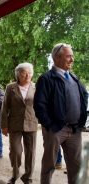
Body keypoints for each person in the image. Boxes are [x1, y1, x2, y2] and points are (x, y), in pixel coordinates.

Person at [34, 43, 88, 184]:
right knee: (49, 165)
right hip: (56, 129)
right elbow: (39, 105)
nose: (72, 59)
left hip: (75, 129)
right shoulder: (46, 79)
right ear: (57, 58)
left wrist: (81, 119)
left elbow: (84, 96)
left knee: (76, 166)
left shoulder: (74, 78)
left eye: (72, 56)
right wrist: (49, 125)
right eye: (68, 56)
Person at [1, 62, 38, 184]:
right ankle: (15, 174)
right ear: (18, 74)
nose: (27, 75)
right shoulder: (10, 87)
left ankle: (28, 177)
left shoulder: (35, 87)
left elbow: (40, 105)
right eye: (24, 73)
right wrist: (4, 125)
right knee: (15, 151)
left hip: (31, 123)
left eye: (30, 73)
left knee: (31, 152)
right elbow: (5, 107)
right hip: (14, 124)